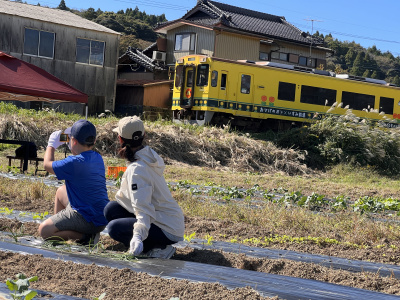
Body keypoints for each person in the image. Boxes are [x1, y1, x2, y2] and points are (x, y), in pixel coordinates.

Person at [104, 116, 185, 259]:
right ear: (144, 136)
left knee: (114, 228)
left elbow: (143, 208)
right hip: (165, 218)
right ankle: (147, 242)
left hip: (167, 227)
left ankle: (159, 248)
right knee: (111, 209)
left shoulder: (138, 170)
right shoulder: (148, 157)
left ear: (120, 139)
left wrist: (137, 236)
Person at [38, 119, 109, 245]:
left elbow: (47, 165)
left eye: (70, 138)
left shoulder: (74, 163)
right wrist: (72, 143)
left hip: (87, 219)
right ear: (94, 141)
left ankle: (86, 237)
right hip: (100, 217)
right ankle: (61, 228)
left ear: (74, 141)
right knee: (61, 191)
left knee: (44, 230)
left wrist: (51, 145)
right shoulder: (97, 157)